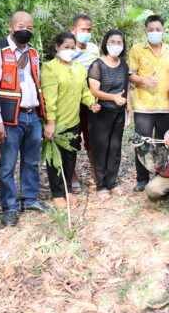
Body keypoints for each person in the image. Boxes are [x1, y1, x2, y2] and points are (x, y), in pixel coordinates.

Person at [0, 11, 47, 226]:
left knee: (31, 162)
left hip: (32, 116)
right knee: (8, 164)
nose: (25, 31)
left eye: (30, 28)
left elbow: (34, 83)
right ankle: (9, 207)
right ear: (11, 26)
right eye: (21, 26)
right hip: (10, 118)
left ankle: (30, 200)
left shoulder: (33, 53)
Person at [41, 31, 99, 208]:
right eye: (66, 47)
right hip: (56, 123)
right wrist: (50, 123)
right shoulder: (49, 68)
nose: (69, 50)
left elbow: (84, 92)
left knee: (70, 158)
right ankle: (57, 194)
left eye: (72, 48)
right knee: (55, 160)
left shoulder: (79, 68)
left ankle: (67, 191)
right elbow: (49, 99)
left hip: (73, 122)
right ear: (57, 47)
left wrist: (91, 104)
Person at [128, 15, 169, 192]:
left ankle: (160, 175)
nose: (155, 32)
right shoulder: (136, 50)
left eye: (158, 29)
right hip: (143, 106)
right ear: (145, 31)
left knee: (163, 144)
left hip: (164, 107)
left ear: (164, 31)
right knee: (142, 144)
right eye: (151, 29)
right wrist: (144, 80)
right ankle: (142, 179)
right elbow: (130, 75)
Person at [88, 30, 131, 195]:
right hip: (101, 114)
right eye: (112, 42)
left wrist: (129, 107)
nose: (116, 45)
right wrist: (113, 98)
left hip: (118, 113)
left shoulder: (123, 65)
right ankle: (101, 185)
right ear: (106, 43)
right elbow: (94, 91)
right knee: (101, 148)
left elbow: (126, 88)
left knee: (115, 148)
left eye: (119, 42)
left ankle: (112, 183)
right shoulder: (97, 65)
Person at [69, 14, 100, 192]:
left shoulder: (94, 49)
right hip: (72, 101)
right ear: (73, 30)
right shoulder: (67, 49)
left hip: (91, 100)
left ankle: (94, 174)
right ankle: (72, 176)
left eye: (89, 30)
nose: (86, 33)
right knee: (73, 138)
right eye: (83, 29)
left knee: (92, 138)